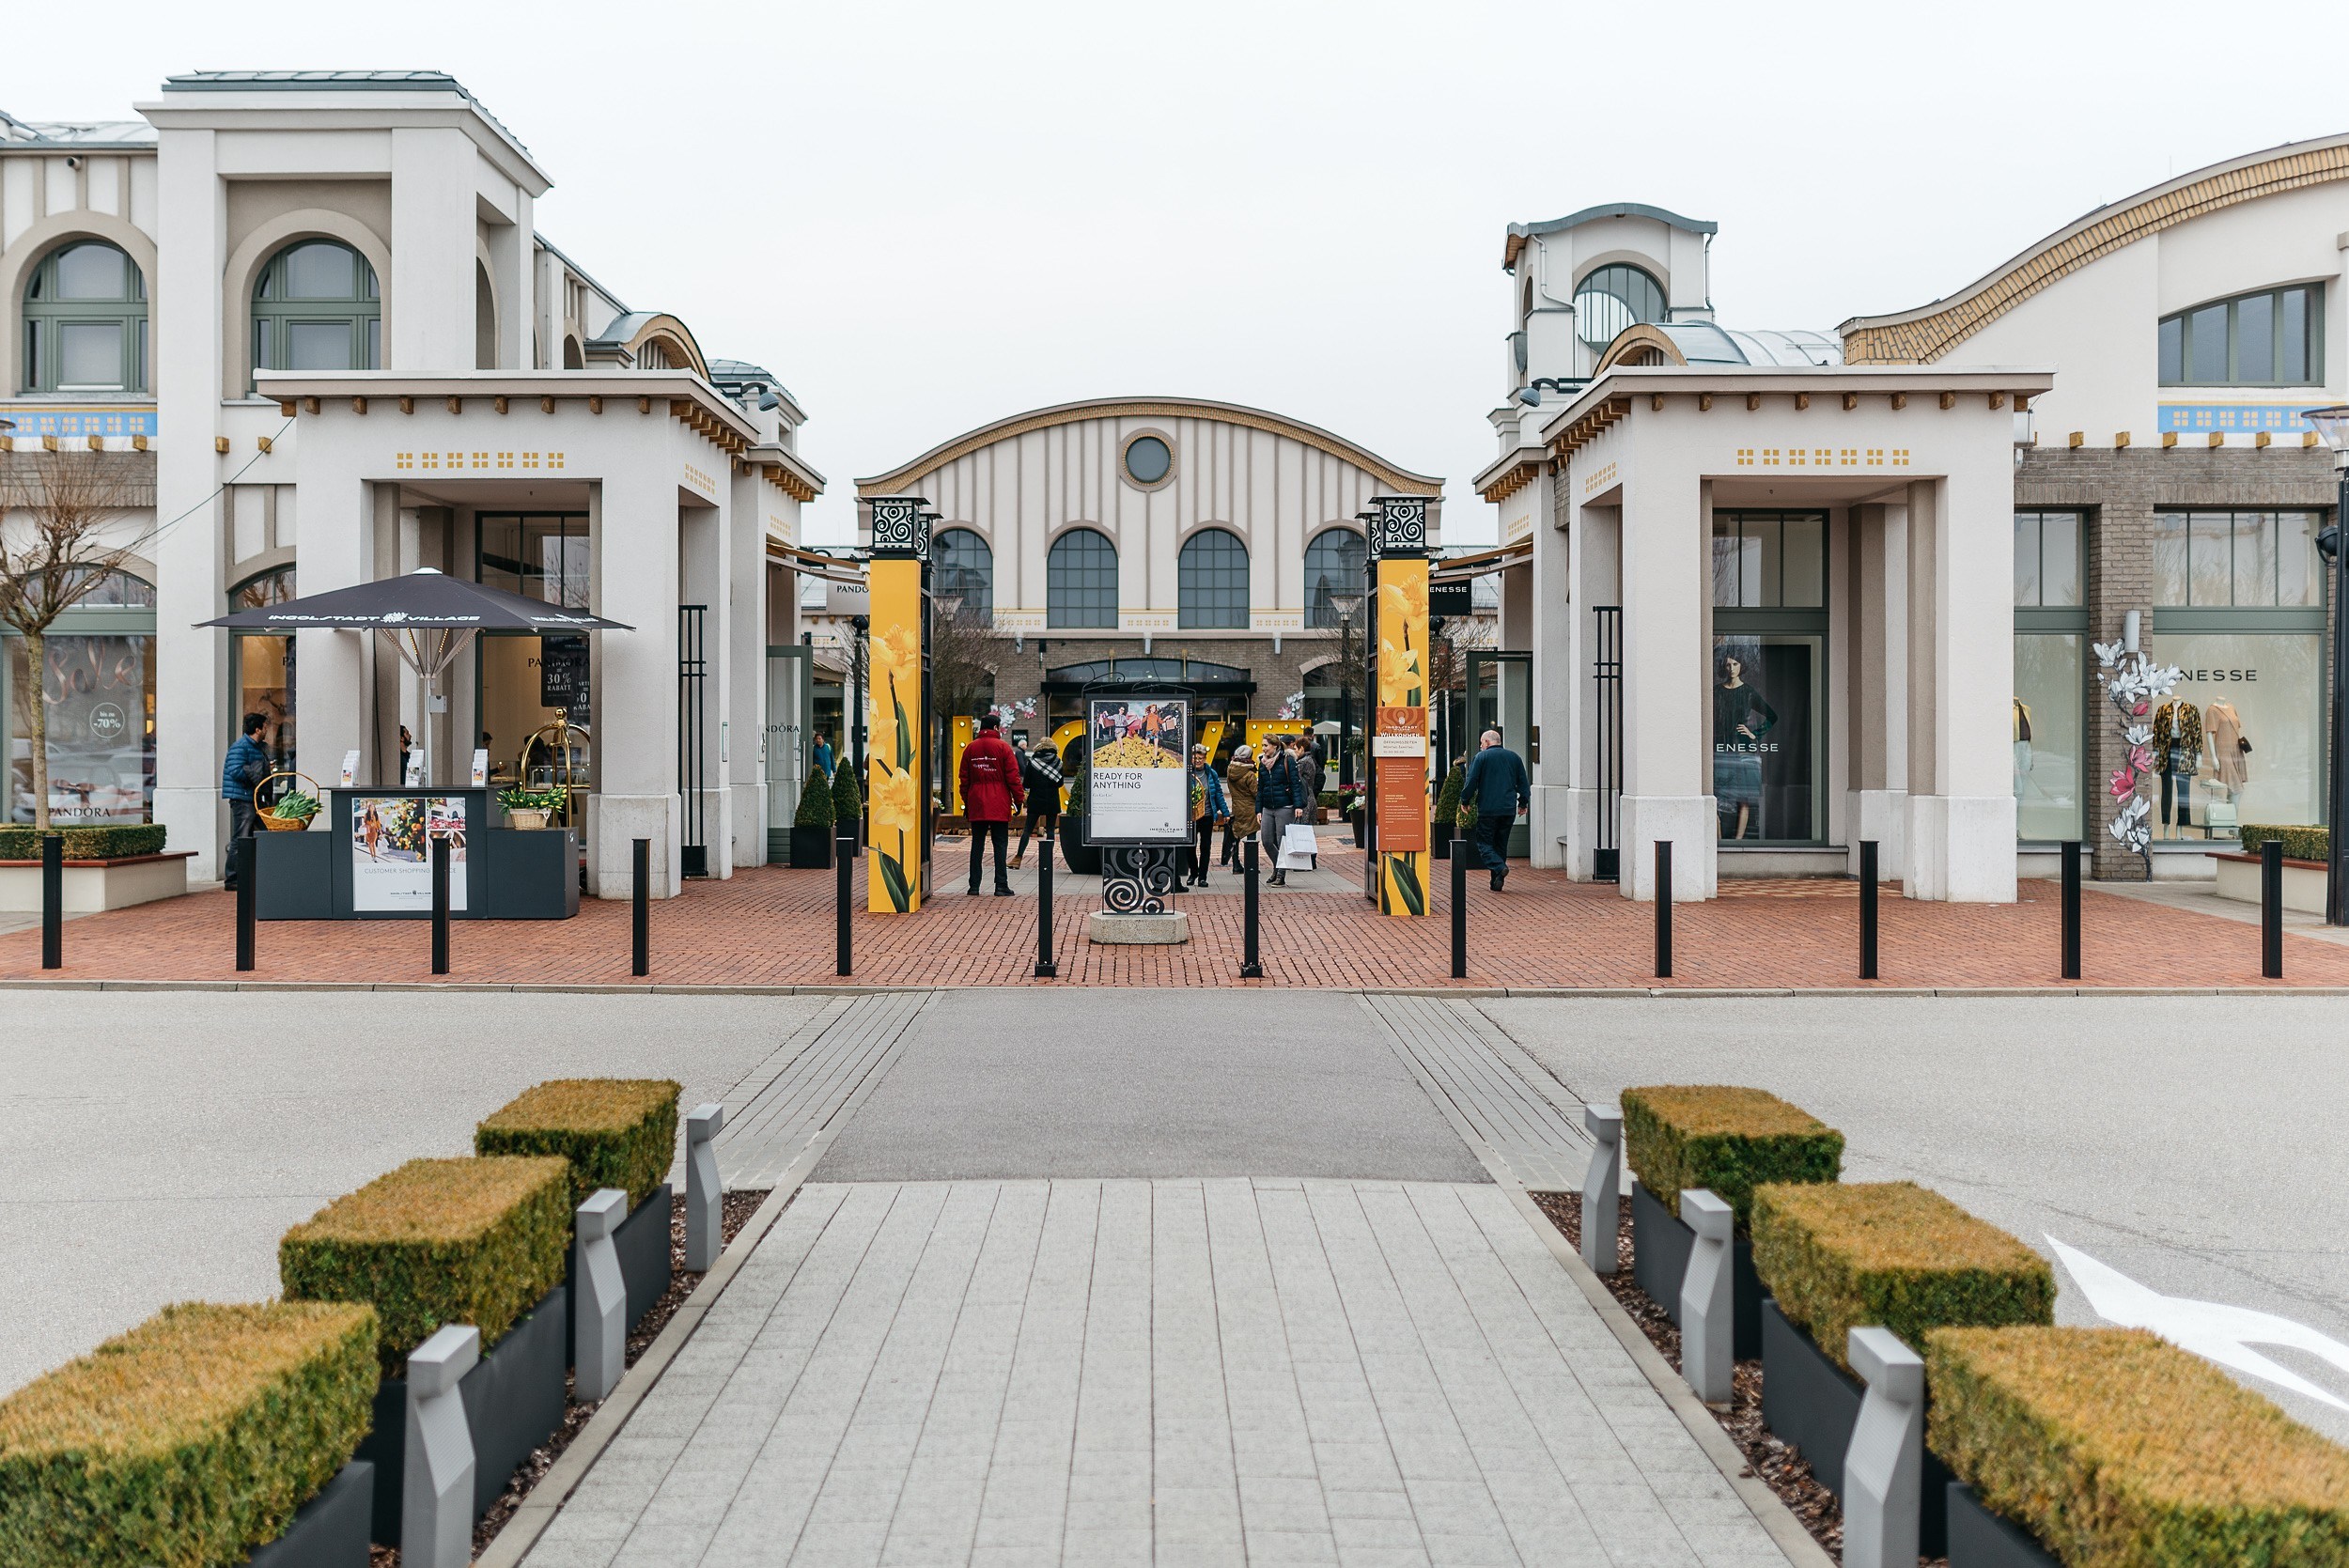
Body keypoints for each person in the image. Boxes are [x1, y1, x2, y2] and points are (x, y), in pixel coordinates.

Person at [957, 712, 1024, 895]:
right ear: (996, 727)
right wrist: (1019, 800)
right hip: (999, 802)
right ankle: (1001, 885)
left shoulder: (970, 749)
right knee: (1000, 844)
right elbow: (1013, 778)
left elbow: (964, 779)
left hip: (977, 802)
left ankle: (974, 886)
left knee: (977, 845)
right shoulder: (1003, 748)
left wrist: (967, 801)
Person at [1461, 728, 1530, 891]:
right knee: (1500, 845)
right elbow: (1523, 783)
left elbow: (1471, 781)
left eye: (1481, 743)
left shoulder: (1481, 757)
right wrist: (1523, 803)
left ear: (1486, 742)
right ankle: (1496, 882)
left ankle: (1499, 868)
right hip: (1508, 809)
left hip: (1488, 809)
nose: (1481, 746)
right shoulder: (1514, 757)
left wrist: (1465, 800)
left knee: (1484, 844)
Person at [219, 712, 271, 890]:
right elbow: (235, 770)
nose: (266, 730)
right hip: (243, 799)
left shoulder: (254, 747)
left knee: (260, 834)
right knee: (241, 837)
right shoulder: (241, 746)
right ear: (257, 729)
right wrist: (255, 774)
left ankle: (251, 874)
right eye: (265, 727)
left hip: (251, 798)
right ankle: (232, 879)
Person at [1256, 733, 1308, 886]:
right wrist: (1258, 809)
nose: (1263, 748)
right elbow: (1260, 788)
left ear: (1275, 746)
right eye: (1262, 745)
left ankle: (1281, 874)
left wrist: (1298, 806)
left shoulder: (1287, 760)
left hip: (1285, 806)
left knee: (1281, 842)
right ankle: (1278, 866)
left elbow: (1295, 784)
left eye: (1266, 745)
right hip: (1267, 807)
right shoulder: (1262, 763)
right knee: (1266, 840)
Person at [1013, 741, 1063, 869]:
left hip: (1035, 800)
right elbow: (1060, 783)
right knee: (1050, 830)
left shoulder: (1033, 762)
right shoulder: (1058, 761)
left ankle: (1018, 858)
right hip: (1052, 800)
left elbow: (1026, 783)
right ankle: (1048, 860)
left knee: (1027, 830)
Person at [1186, 743, 1228, 886]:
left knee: (1205, 847)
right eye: (1195, 758)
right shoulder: (1186, 773)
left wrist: (1225, 812)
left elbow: (1218, 793)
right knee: (1190, 846)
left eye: (1201, 758)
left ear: (1205, 758)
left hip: (1208, 815)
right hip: (1191, 816)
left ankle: (1202, 877)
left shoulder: (1211, 773)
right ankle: (1193, 872)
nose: (1198, 760)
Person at [1222, 744, 1259, 872]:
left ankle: (1236, 864)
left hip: (1236, 806)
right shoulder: (1249, 774)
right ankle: (1251, 865)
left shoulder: (1230, 770)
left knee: (1236, 835)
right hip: (1250, 808)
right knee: (1251, 835)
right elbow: (1256, 793)